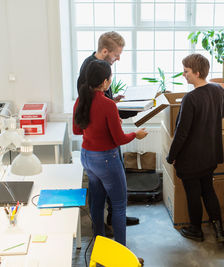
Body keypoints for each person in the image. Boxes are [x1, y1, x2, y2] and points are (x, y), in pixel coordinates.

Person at [73, 59, 148, 246]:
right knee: (119, 206)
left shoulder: (81, 100)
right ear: (105, 82)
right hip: (106, 160)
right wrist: (136, 134)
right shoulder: (107, 106)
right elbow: (120, 139)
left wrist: (107, 110)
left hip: (87, 158)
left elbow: (77, 130)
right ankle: (121, 255)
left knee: (96, 205)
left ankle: (100, 247)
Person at [77, 31, 140, 231]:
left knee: (97, 199)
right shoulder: (91, 69)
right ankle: (119, 248)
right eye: (116, 54)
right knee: (118, 201)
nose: (118, 58)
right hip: (105, 150)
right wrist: (134, 133)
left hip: (89, 152)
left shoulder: (96, 73)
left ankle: (101, 240)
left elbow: (85, 117)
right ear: (105, 51)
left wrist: (112, 104)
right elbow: (98, 114)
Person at [166, 54, 224, 245]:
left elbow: (182, 133)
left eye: (186, 71)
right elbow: (221, 114)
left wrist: (172, 156)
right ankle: (219, 231)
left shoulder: (190, 99)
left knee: (193, 192)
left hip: (191, 158)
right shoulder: (219, 90)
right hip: (210, 154)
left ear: (197, 72)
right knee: (208, 190)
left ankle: (196, 230)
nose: (184, 75)